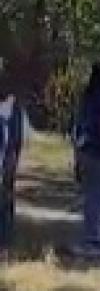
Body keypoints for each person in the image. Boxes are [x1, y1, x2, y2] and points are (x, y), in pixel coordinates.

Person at [69, 62, 100, 258]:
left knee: (92, 195)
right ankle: (91, 237)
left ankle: (92, 233)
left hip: (85, 150)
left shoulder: (88, 96)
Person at [0, 87, 27, 258]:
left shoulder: (14, 108)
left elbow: (16, 142)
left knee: (5, 199)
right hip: (7, 158)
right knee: (5, 199)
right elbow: (17, 142)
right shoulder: (14, 108)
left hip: (6, 159)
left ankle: (4, 243)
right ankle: (4, 242)